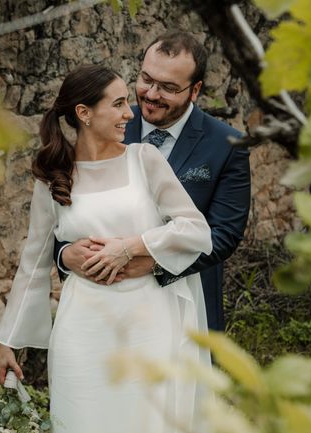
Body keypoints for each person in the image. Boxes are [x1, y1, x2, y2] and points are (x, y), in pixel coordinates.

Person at [0, 64, 214, 433]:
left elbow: (195, 229)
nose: (130, 113)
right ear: (84, 113)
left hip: (148, 321)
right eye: (117, 104)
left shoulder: (144, 160)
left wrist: (129, 246)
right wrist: (7, 339)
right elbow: (35, 259)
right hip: (84, 327)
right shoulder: (53, 178)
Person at [55, 31, 251, 332]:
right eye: (146, 79)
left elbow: (223, 234)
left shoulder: (226, 144)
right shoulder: (106, 123)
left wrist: (153, 265)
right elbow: (69, 211)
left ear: (195, 90)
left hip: (187, 301)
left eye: (169, 88)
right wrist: (65, 255)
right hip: (102, 307)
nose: (151, 94)